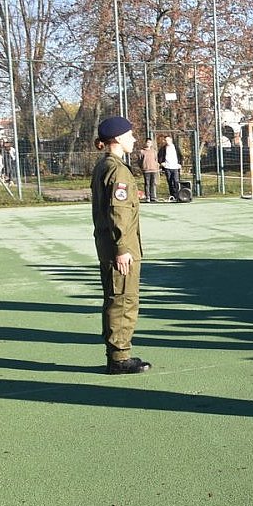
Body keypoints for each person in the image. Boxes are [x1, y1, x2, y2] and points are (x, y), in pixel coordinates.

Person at [91, 116, 151, 374]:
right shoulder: (117, 170)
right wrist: (123, 249)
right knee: (123, 301)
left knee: (116, 299)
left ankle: (118, 353)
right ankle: (119, 358)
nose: (134, 139)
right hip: (119, 248)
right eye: (129, 135)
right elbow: (119, 212)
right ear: (116, 139)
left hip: (109, 244)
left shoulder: (104, 165)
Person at [158, 134, 182, 201]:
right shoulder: (163, 148)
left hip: (175, 167)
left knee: (176, 181)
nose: (167, 141)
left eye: (168, 140)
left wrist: (179, 164)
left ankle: (178, 195)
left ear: (171, 140)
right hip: (167, 167)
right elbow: (159, 156)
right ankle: (172, 196)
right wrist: (162, 163)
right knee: (170, 182)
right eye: (166, 140)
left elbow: (180, 156)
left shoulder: (176, 147)